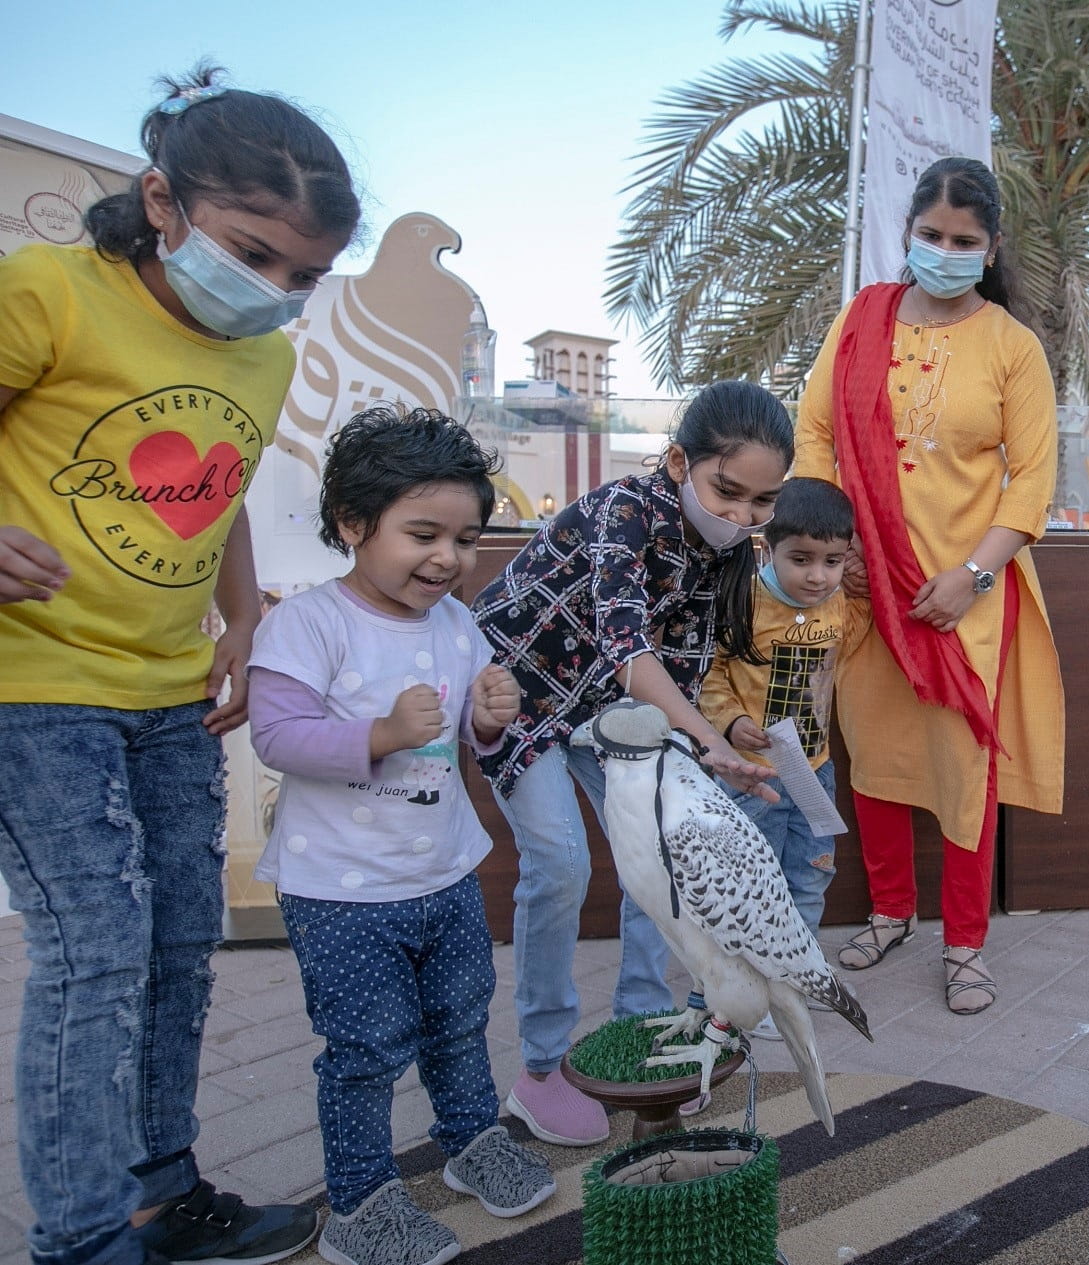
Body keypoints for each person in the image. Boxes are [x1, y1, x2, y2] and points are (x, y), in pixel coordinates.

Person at [0, 68, 359, 1265]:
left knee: (174, 945)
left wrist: (246, 619)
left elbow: (218, 488)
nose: (275, 292)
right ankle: (83, 1237)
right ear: (163, 201)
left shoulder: (260, 359)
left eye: (303, 276)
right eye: (253, 254)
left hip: (169, 688)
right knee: (94, 949)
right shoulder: (47, 290)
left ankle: (162, 1193)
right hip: (32, 683)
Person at [247, 408, 556, 1265]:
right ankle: (360, 1201)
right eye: (422, 533)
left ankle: (469, 1142)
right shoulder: (308, 625)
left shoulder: (456, 624)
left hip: (446, 873)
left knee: (460, 1021)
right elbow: (275, 735)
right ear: (353, 523)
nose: (447, 558)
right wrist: (377, 734)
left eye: (464, 537)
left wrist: (488, 722)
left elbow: (465, 738)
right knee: (364, 1048)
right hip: (341, 893)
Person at [472, 379, 788, 1146]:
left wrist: (711, 744)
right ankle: (541, 1072)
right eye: (728, 491)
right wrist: (705, 745)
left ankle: (643, 1024)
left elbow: (678, 672)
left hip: (611, 714)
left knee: (663, 859)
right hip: (524, 693)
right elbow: (627, 646)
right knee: (559, 864)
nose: (743, 516)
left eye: (763, 500)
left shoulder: (723, 553)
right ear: (680, 462)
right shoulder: (625, 508)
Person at [794, 156, 1066, 1016]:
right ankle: (888, 911)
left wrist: (973, 575)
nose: (945, 251)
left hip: (964, 594)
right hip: (867, 583)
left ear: (990, 249)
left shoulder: (1012, 347)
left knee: (962, 762)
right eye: (931, 236)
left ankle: (965, 941)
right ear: (907, 234)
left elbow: (1031, 482)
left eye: (964, 240)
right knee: (872, 749)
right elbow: (813, 430)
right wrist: (839, 549)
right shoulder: (862, 318)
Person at [698, 475, 868, 939]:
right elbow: (709, 671)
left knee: (811, 876)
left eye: (832, 561)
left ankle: (801, 971)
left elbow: (853, 640)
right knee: (749, 878)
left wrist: (864, 591)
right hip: (752, 775)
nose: (818, 576)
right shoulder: (743, 599)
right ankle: (752, 977)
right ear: (768, 546)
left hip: (815, 771)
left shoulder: (839, 603)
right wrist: (730, 722)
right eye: (801, 559)